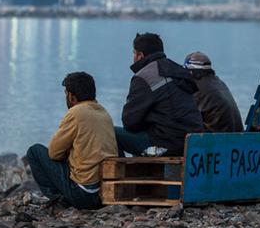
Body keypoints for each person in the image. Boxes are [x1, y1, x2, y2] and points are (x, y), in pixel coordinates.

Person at [26, 72, 117, 209]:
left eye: (65, 94)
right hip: (104, 193)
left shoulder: (76, 113)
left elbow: (53, 153)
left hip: (84, 195)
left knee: (35, 151)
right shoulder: (104, 113)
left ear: (71, 96)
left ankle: (59, 199)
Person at [115, 32, 204, 156]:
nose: (133, 57)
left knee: (109, 132)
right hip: (192, 141)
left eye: (134, 53)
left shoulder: (144, 77)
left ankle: (120, 173)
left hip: (167, 144)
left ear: (140, 55)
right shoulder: (179, 70)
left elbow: (129, 122)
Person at [184, 51, 244, 132]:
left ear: (190, 71)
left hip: (218, 140)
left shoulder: (197, 88)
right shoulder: (218, 82)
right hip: (234, 137)